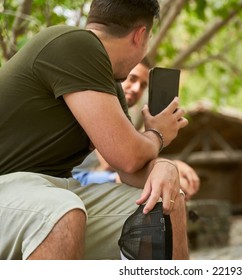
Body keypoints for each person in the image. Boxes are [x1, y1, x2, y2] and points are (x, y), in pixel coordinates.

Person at [0, 0, 190, 260]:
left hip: (56, 191)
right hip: (14, 189)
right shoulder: (75, 43)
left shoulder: (108, 82)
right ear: (140, 35)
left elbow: (129, 170)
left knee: (168, 201)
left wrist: (165, 167)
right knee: (61, 212)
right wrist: (157, 134)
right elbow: (127, 154)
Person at [73, 59, 200, 200]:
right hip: (75, 179)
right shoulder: (99, 106)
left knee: (168, 182)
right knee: (160, 181)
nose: (136, 89)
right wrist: (167, 159)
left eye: (143, 85)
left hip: (97, 176)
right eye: (132, 79)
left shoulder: (124, 119)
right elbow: (115, 162)